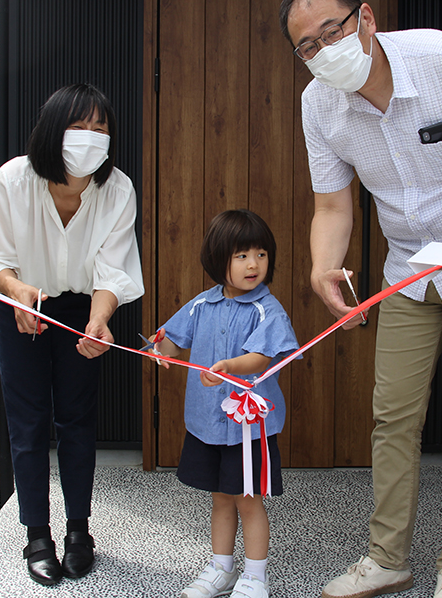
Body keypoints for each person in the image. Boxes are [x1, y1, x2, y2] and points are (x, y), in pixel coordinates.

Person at [279, 0, 442, 598]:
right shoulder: (319, 104)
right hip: (409, 267)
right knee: (392, 414)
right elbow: (333, 206)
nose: (321, 50)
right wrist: (321, 266)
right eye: (306, 47)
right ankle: (388, 556)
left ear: (365, 18)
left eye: (330, 31)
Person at [0, 83, 144, 586]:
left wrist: (101, 318)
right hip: (21, 301)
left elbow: (114, 269)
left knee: (78, 418)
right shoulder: (14, 179)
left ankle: (79, 531)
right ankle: (36, 534)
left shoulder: (118, 189)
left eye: (100, 128)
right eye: (78, 126)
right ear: (51, 131)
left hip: (83, 308)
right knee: (27, 420)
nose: (89, 138)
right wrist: (17, 290)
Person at [148, 209, 300, 598]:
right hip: (206, 423)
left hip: (250, 428)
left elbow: (261, 359)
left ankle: (254, 576)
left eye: (261, 254)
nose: (254, 264)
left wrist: (231, 366)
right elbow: (173, 340)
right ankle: (221, 568)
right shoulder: (202, 304)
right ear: (219, 259)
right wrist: (159, 348)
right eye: (242, 255)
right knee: (219, 498)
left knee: (248, 501)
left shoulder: (268, 309)